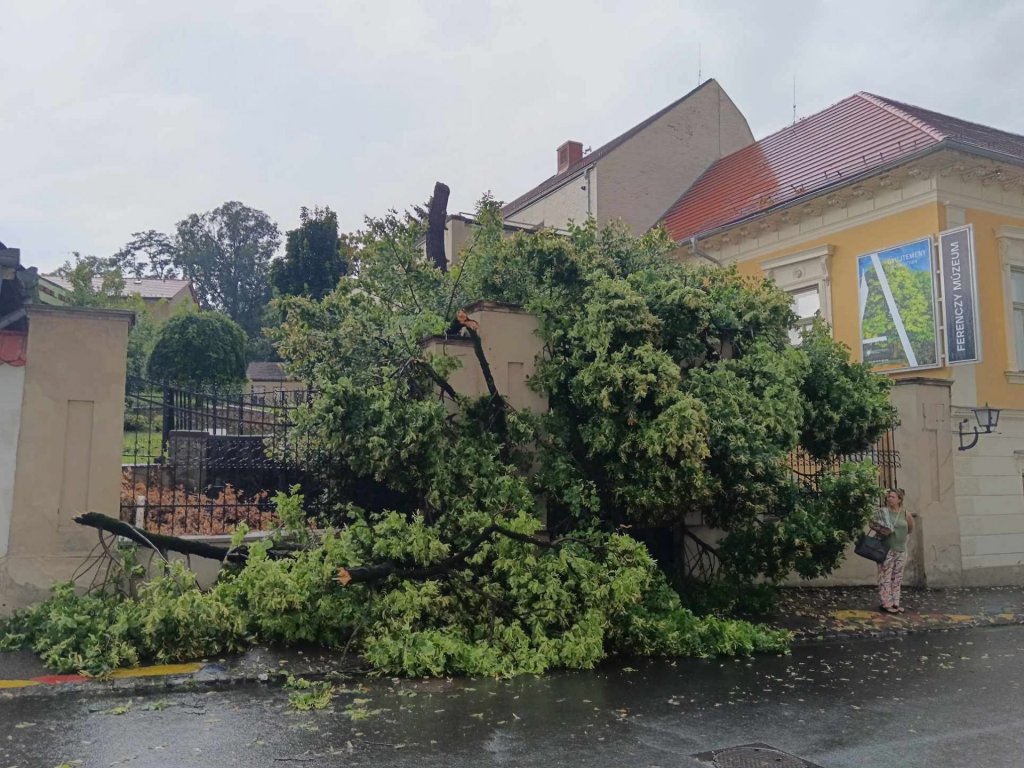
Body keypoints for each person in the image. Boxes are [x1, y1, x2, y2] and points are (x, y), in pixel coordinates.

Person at [871, 488, 914, 614]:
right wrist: (882, 530)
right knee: (885, 577)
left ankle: (895, 603)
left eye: (892, 497)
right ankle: (886, 603)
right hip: (885, 549)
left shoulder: (905, 513)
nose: (889, 499)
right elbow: (871, 524)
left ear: (899, 500)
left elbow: (910, 528)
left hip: (901, 550)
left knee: (897, 578)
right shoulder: (882, 512)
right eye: (889, 496)